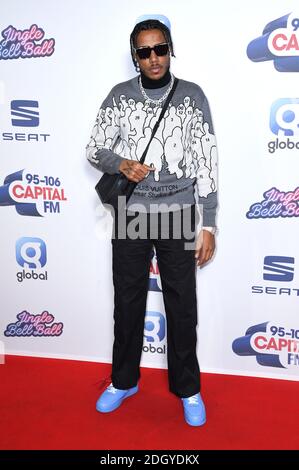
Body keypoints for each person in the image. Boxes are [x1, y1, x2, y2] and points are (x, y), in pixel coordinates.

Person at [86, 14, 218, 427]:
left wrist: (209, 224)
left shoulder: (192, 96)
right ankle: (123, 380)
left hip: (178, 214)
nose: (154, 57)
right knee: (127, 303)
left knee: (182, 308)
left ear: (170, 49)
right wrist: (122, 163)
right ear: (135, 57)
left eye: (160, 48)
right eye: (144, 51)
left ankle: (188, 388)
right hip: (132, 217)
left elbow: (206, 162)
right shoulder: (119, 95)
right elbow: (93, 149)